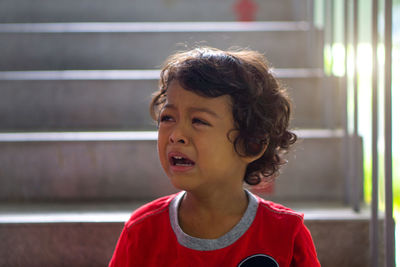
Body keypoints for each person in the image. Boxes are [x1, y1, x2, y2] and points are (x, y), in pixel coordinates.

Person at [108, 47, 320, 266]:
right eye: (168, 118)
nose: (176, 135)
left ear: (251, 145)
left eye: (198, 121)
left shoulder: (285, 233)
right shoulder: (142, 230)